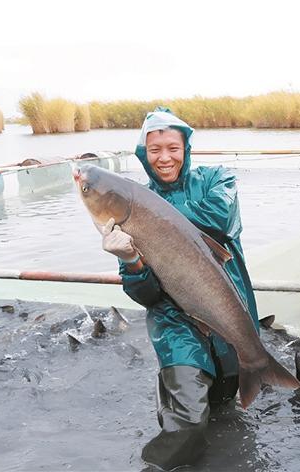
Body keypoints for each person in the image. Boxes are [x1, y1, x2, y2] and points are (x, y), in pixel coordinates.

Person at [100, 108, 259, 470]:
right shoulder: (132, 207)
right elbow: (146, 295)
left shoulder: (217, 179)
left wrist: (149, 222)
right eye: (154, 150)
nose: (165, 157)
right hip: (174, 322)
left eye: (173, 147)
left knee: (222, 408)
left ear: (186, 148)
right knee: (187, 422)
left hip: (227, 308)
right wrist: (131, 260)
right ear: (143, 154)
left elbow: (220, 220)